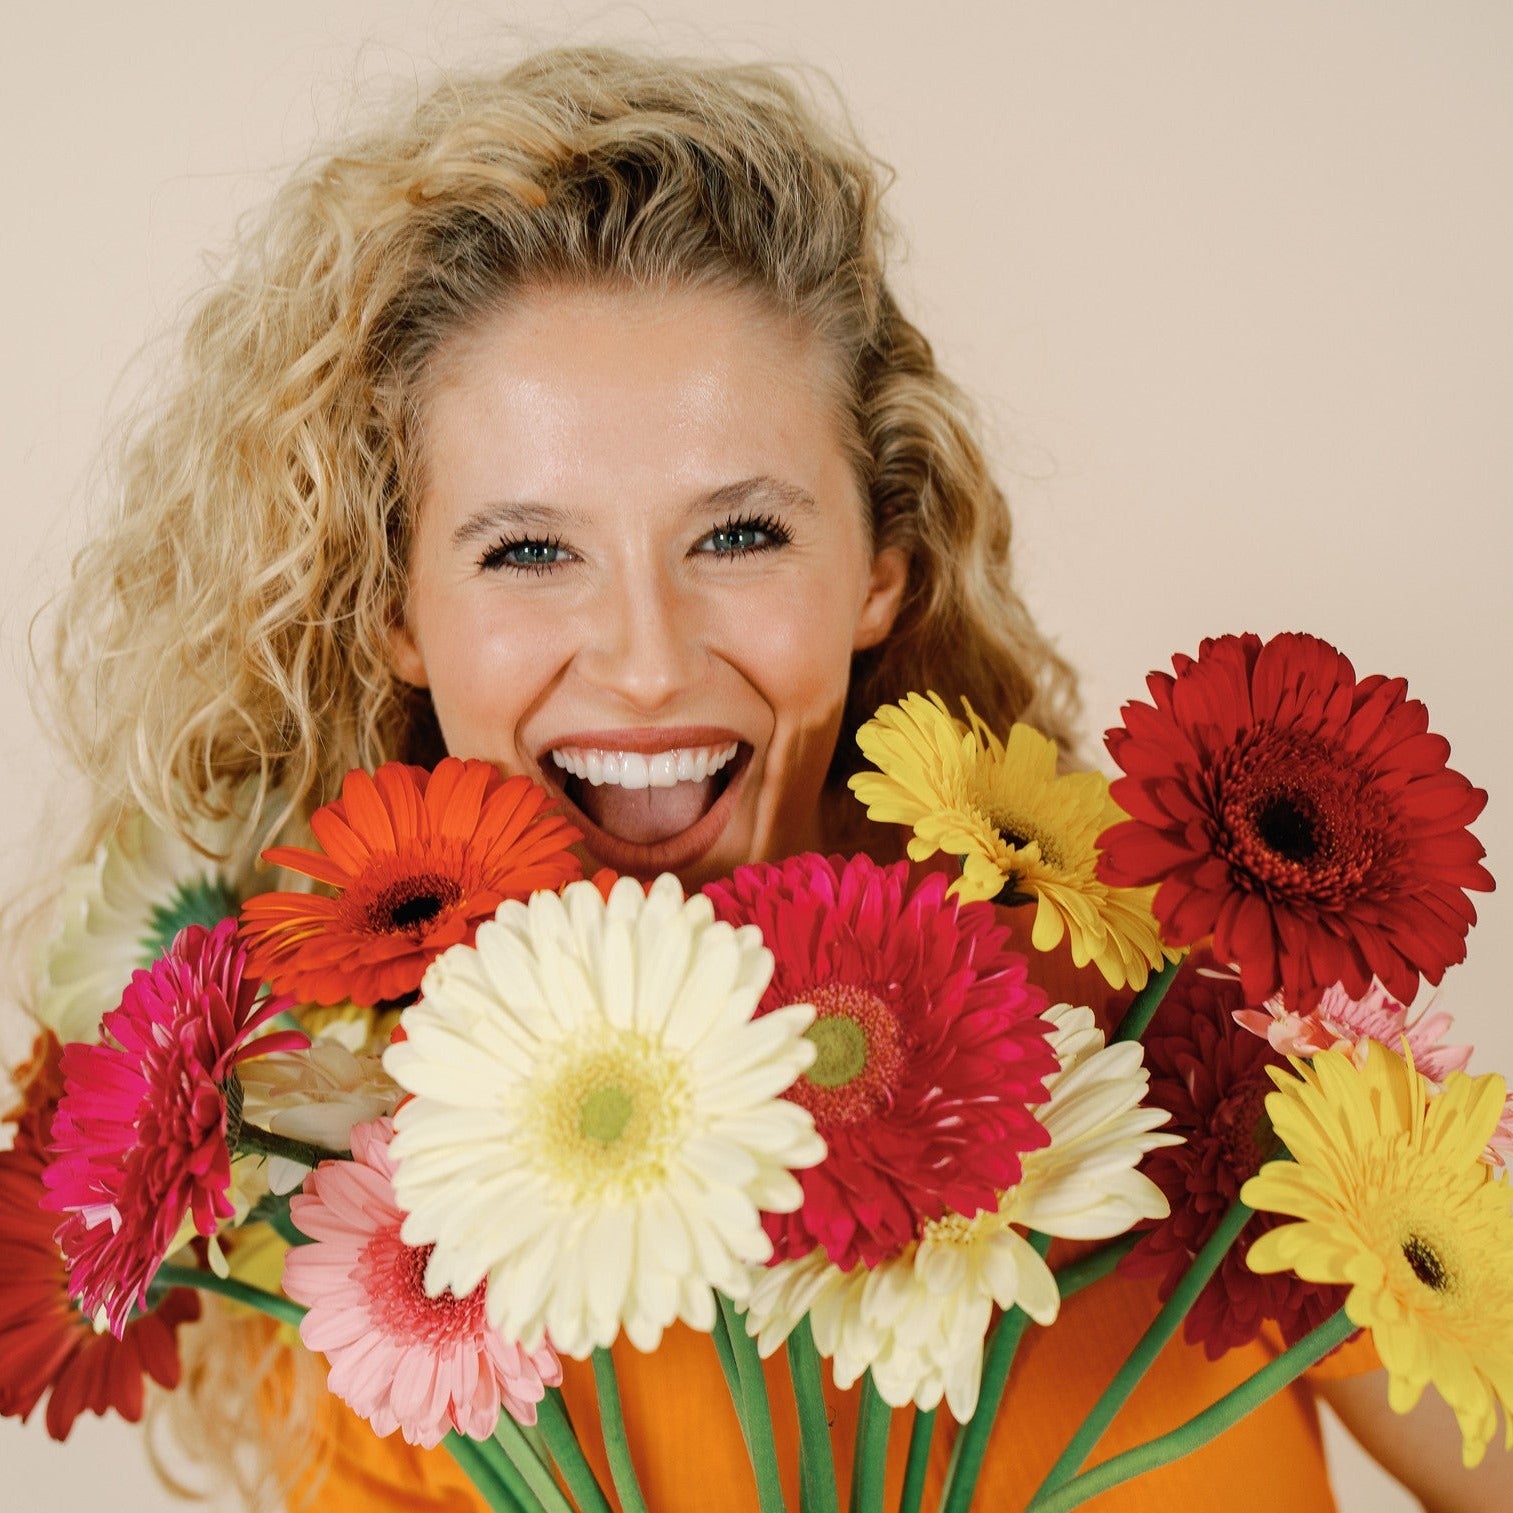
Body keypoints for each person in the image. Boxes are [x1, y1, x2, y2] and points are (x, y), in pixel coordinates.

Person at [27, 42, 1508, 1513]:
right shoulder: (389, 1250)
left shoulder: (1193, 1047)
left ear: (882, 567)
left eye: (738, 535)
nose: (649, 660)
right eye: (528, 551)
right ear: (396, 615)